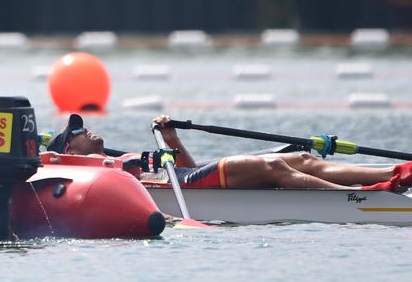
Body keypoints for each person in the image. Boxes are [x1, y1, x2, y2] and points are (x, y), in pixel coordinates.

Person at [47, 113, 412, 192]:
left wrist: (172, 139)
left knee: (300, 159)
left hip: (191, 178)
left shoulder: (118, 156)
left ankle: (395, 172)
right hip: (185, 191)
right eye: (76, 132)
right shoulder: (85, 169)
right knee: (272, 164)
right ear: (67, 148)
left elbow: (186, 168)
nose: (87, 130)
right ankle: (361, 196)